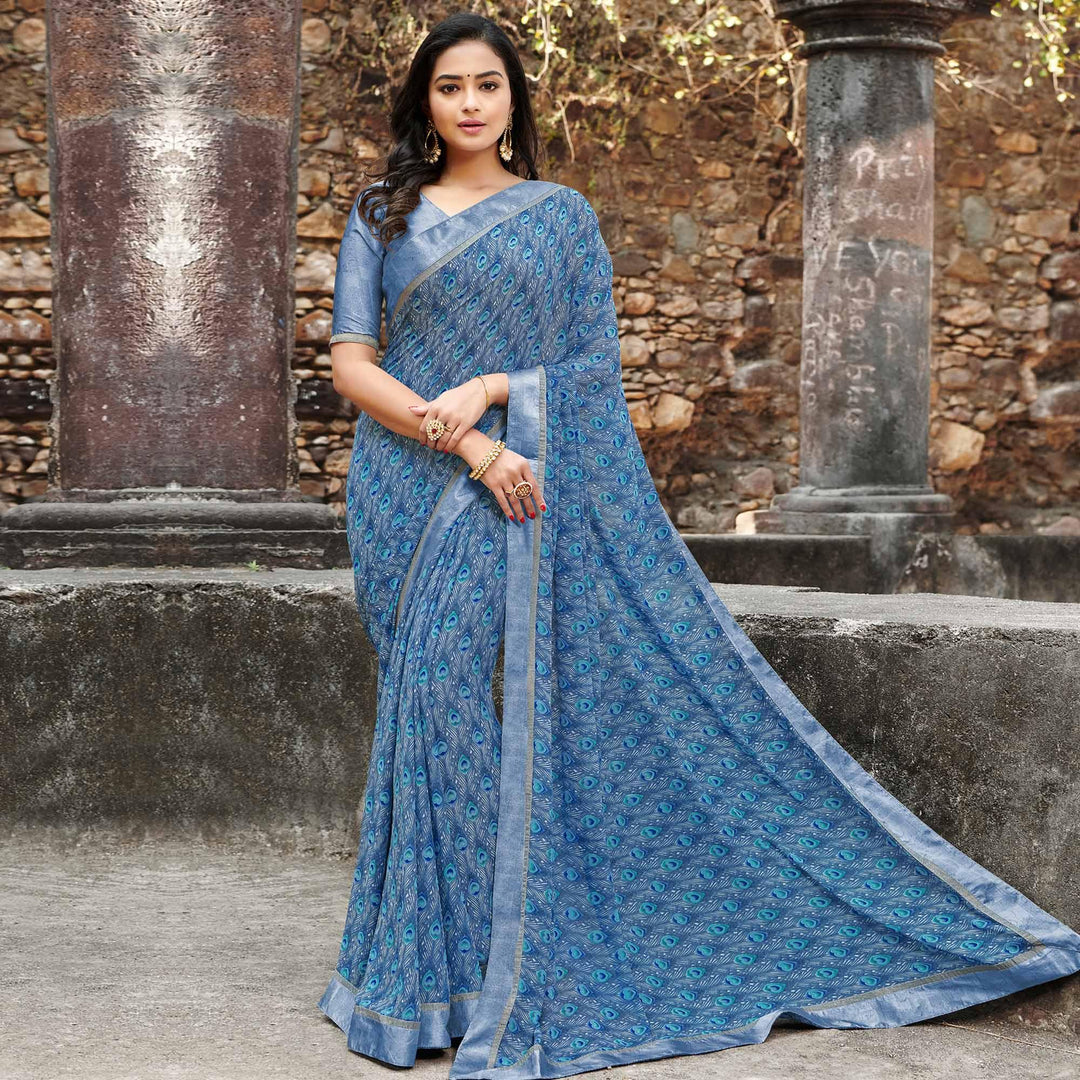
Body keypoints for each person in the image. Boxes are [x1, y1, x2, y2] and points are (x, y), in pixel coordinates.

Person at [317, 12, 1080, 1079]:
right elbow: (352, 364)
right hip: (409, 487)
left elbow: (591, 373)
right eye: (450, 87)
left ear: (515, 98)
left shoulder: (561, 218)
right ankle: (428, 976)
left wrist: (494, 391)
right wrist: (471, 446)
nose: (471, 104)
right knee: (428, 707)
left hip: (516, 488)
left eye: (488, 84)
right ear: (424, 102)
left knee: (447, 693)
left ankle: (484, 975)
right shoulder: (380, 213)